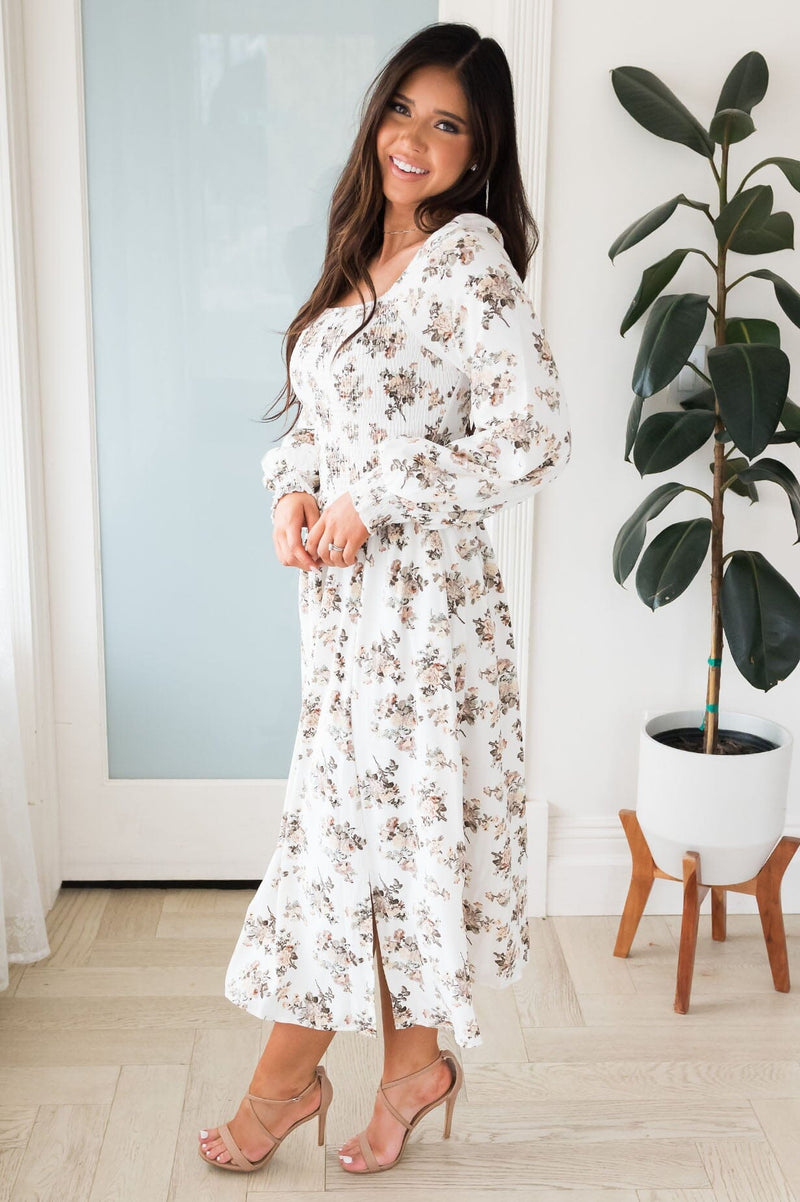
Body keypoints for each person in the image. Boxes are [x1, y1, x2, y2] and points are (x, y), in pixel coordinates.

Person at [198, 20, 571, 1177]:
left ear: (479, 150)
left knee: (355, 849)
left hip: (425, 622)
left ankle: (282, 1084)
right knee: (381, 847)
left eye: (445, 123)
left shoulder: (468, 267)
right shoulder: (367, 247)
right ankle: (410, 1068)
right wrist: (296, 490)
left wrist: (380, 492)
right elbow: (329, 419)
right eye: (401, 108)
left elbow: (536, 438)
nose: (412, 137)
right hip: (344, 620)